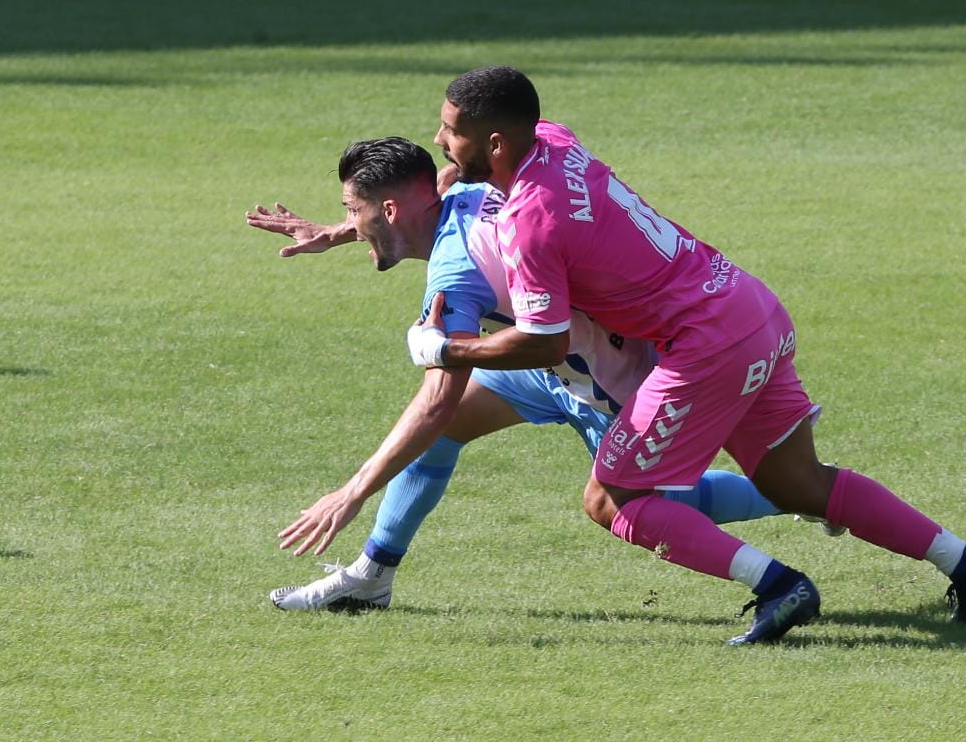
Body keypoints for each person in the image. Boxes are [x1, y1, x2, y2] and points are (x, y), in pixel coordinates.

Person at [404, 66, 966, 643]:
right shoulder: (556, 141)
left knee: (612, 500)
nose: (438, 140)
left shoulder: (532, 222)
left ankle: (780, 585)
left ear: (495, 142)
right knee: (797, 482)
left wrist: (445, 348)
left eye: (450, 133)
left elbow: (545, 341)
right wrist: (382, 212)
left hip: (705, 346)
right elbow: (499, 169)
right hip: (751, 308)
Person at [251, 137, 793, 611]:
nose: (348, 218)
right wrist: (344, 230)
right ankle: (373, 576)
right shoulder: (463, 187)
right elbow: (436, 184)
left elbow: (436, 398)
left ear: (390, 209)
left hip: (607, 384)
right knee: (446, 433)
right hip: (549, 364)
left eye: (352, 208)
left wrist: (352, 492)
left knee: (663, 505)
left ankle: (798, 491)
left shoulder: (453, 279)